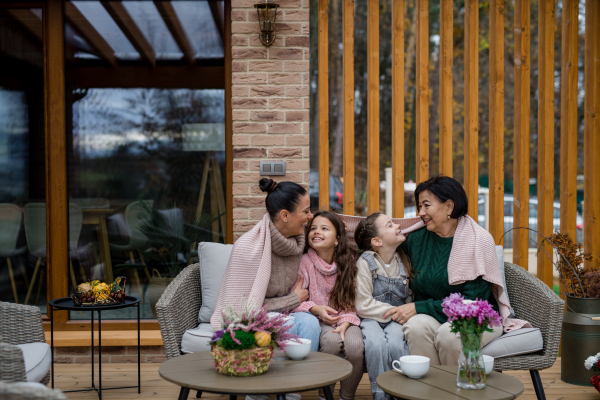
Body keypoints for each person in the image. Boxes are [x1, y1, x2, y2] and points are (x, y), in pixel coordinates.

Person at [389, 175, 530, 365]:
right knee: (415, 327)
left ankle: (455, 391)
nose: (420, 212)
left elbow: (473, 300)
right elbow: (380, 244)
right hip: (433, 316)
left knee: (450, 335)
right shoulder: (416, 239)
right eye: (419, 206)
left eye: (426, 205)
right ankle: (428, 391)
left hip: (477, 315)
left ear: (449, 206)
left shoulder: (478, 241)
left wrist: (419, 307)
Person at [210, 178, 321, 352]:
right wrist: (293, 299)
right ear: (285, 216)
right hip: (260, 315)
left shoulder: (302, 239)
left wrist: (342, 231)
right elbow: (241, 308)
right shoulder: (248, 247)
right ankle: (280, 379)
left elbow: (335, 243)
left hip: (291, 311)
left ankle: (308, 378)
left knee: (312, 324)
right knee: (286, 326)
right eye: (306, 211)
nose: (311, 216)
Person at [292, 211, 364, 400]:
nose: (316, 232)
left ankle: (347, 396)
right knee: (331, 343)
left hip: (347, 319)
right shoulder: (305, 262)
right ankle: (327, 395)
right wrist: (315, 309)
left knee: (355, 347)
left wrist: (346, 322)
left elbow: (354, 300)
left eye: (324, 228)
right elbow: (295, 300)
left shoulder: (349, 262)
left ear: (338, 239)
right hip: (319, 320)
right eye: (313, 228)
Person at [354, 213, 412, 400]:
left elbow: (409, 298)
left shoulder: (404, 262)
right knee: (376, 344)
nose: (397, 225)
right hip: (371, 319)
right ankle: (380, 394)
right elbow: (363, 305)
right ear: (377, 241)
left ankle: (399, 392)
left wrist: (403, 312)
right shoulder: (365, 263)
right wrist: (395, 312)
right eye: (390, 225)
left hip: (396, 320)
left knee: (397, 343)